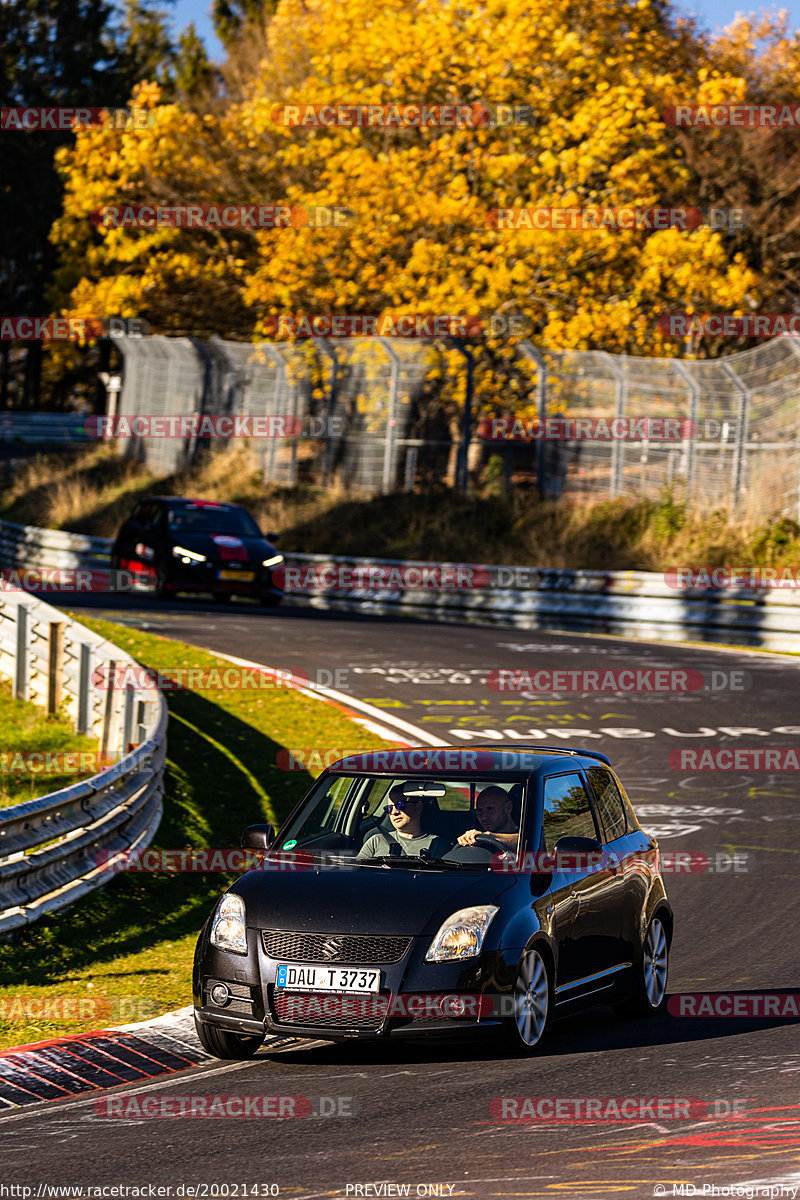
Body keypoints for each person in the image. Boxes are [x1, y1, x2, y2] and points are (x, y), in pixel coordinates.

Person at [357, 784, 451, 859]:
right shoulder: (375, 841)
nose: (394, 812)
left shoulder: (438, 845)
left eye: (400, 805)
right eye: (389, 808)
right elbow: (358, 872)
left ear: (418, 807)